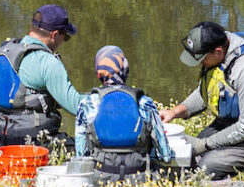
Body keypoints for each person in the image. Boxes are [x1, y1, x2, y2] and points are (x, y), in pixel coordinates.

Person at [158, 21, 244, 178]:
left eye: (201, 60)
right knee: (186, 155)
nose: (200, 64)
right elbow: (206, 91)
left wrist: (204, 144)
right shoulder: (221, 49)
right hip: (231, 123)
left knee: (205, 167)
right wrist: (174, 112)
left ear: (217, 51)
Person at [74, 45, 177, 177]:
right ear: (126, 70)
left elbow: (81, 156)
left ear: (99, 74)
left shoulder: (87, 104)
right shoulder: (145, 103)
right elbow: (166, 156)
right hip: (139, 180)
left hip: (100, 180)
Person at [0, 4, 82, 146]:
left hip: (5, 138)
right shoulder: (47, 62)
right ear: (54, 35)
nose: (64, 41)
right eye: (65, 37)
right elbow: (77, 107)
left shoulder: (6, 49)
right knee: (85, 151)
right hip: (35, 144)